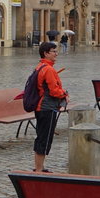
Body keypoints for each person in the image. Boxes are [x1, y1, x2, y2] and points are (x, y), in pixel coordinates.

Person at [29, 41, 68, 173]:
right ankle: (39, 169)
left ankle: (40, 167)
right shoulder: (48, 69)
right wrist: (64, 93)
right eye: (54, 51)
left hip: (41, 107)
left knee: (42, 136)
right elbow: (54, 91)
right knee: (45, 138)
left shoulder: (40, 66)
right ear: (46, 53)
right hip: (47, 107)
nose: (56, 54)